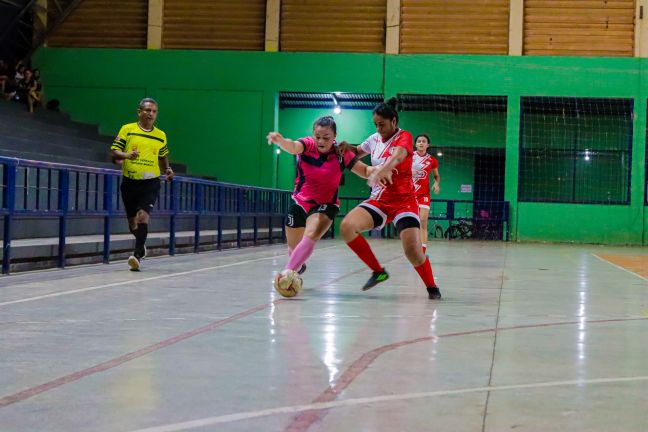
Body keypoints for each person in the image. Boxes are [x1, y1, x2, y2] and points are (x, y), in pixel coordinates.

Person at [338, 98, 442, 300]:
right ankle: (378, 271)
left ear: (393, 121)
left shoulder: (405, 136)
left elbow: (398, 156)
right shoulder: (374, 138)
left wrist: (381, 171)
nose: (378, 128)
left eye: (382, 124)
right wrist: (346, 147)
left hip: (404, 201)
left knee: (412, 251)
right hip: (379, 200)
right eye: (375, 125)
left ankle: (432, 287)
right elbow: (358, 151)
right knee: (347, 227)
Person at [267, 116, 375, 297]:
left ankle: (287, 273)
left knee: (312, 232)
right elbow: (293, 146)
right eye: (318, 136)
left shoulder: (342, 152)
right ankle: (297, 266)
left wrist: (377, 172)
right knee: (294, 249)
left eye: (326, 137)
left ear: (335, 136)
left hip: (326, 204)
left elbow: (364, 170)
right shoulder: (307, 145)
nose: (321, 141)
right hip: (300, 201)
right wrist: (281, 141)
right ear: (313, 134)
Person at [110, 98, 174, 271]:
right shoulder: (128, 129)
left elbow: (162, 155)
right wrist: (127, 155)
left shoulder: (161, 135)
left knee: (143, 216)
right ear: (139, 112)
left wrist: (167, 168)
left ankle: (137, 255)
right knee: (132, 222)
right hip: (130, 182)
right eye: (147, 110)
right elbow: (113, 153)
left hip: (151, 182)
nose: (150, 114)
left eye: (154, 111)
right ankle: (141, 244)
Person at [412, 134, 440, 254]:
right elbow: (399, 170)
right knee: (412, 224)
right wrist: (409, 172)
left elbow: (436, 176)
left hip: (424, 194)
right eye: (419, 141)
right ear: (415, 144)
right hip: (409, 194)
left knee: (423, 222)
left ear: (427, 145)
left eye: (424, 141)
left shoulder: (432, 160)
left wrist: (436, 183)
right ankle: (413, 249)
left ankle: (422, 252)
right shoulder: (409, 157)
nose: (421, 143)